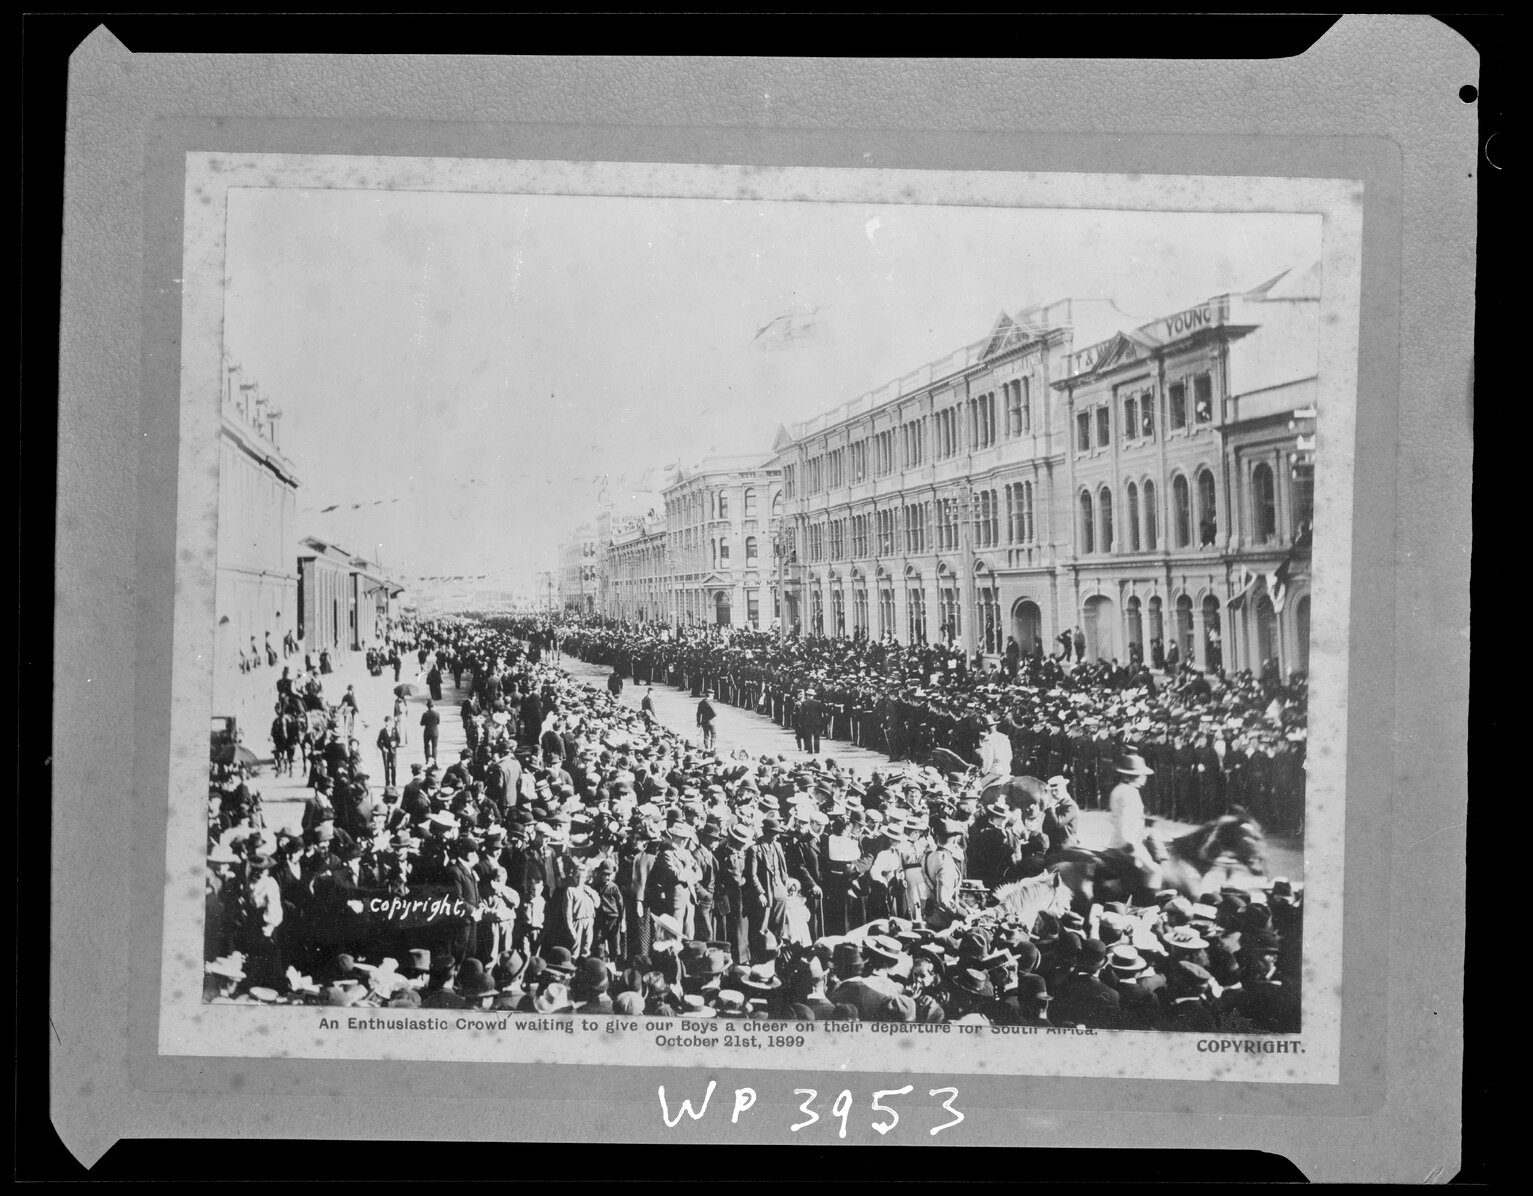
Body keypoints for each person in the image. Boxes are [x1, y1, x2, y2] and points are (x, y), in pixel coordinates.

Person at [375, 718, 400, 788]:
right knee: (386, 768)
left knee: (394, 767)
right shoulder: (382, 731)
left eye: (388, 722)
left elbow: (398, 740)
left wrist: (395, 744)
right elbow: (378, 742)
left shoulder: (394, 730)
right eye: (386, 722)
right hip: (385, 752)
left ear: (391, 722)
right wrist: (383, 748)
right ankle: (387, 783)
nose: (387, 723)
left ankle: (394, 783)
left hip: (393, 752)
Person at [420, 699, 440, 767]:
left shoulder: (425, 714)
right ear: (433, 706)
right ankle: (434, 760)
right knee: (434, 746)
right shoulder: (437, 714)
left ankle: (428, 759)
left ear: (427, 706)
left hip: (427, 732)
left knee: (426, 746)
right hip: (435, 731)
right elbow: (438, 722)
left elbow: (421, 723)